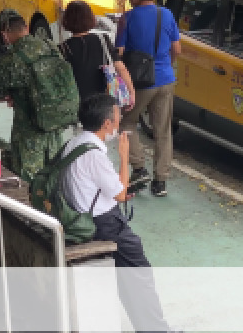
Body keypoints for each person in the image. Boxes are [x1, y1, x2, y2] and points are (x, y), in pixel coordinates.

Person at [63, 94, 174, 332]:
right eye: (117, 116)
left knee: (129, 273)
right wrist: (124, 156)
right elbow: (120, 194)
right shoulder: (94, 155)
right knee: (139, 272)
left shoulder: (74, 143)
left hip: (79, 217)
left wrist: (120, 188)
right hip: (103, 225)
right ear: (106, 123)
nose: (120, 120)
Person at [116, 0, 181, 198]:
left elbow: (119, 53)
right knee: (163, 130)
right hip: (166, 79)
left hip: (140, 82)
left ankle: (139, 168)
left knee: (127, 122)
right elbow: (177, 49)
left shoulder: (127, 19)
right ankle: (160, 182)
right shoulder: (166, 14)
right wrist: (165, 66)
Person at [0, 12, 64, 181]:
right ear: (27, 28)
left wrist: (12, 95)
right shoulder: (50, 46)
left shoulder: (10, 59)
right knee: (54, 178)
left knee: (29, 182)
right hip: (55, 127)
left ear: (4, 35)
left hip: (28, 133)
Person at [59, 0, 135, 103]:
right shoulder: (103, 40)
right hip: (104, 101)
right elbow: (121, 69)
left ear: (66, 20)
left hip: (77, 102)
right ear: (90, 18)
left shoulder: (62, 48)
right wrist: (131, 92)